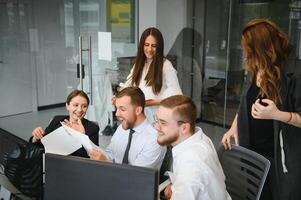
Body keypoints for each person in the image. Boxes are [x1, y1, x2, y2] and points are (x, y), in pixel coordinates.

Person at [222, 19, 301, 200]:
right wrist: (234, 127)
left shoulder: (295, 72)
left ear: (263, 47)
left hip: (281, 160)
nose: (245, 53)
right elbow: (246, 102)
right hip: (254, 155)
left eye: (249, 49)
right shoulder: (255, 68)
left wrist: (277, 115)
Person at [155, 95, 231, 200]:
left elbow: (190, 173)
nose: (156, 127)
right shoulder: (198, 137)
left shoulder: (190, 164)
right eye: (157, 120)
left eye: (163, 123)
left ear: (184, 128)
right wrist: (176, 186)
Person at [81, 87, 166, 169]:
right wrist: (82, 137)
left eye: (122, 109)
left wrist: (106, 163)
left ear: (138, 110)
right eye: (117, 108)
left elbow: (136, 176)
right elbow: (110, 154)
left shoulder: (155, 139)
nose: (117, 114)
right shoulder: (122, 128)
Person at [120, 27, 182, 123]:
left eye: (154, 46)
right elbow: (129, 85)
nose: (149, 49)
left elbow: (177, 97)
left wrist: (151, 102)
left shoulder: (166, 65)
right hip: (139, 117)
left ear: (159, 47)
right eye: (146, 45)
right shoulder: (139, 64)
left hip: (157, 118)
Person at [29, 90, 99, 158]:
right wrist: (35, 138)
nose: (80, 110)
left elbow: (92, 158)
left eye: (84, 106)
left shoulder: (92, 128)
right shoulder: (57, 120)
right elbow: (41, 146)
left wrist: (82, 136)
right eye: (76, 105)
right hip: (52, 163)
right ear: (67, 106)